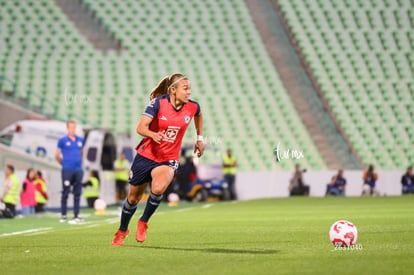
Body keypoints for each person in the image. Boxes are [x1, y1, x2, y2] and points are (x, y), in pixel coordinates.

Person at [111, 73, 204, 246]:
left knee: (159, 188)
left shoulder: (192, 107)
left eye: (190, 88)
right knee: (133, 198)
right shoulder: (158, 103)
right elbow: (140, 127)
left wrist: (200, 138)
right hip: (146, 156)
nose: (189, 92)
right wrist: (152, 134)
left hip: (168, 158)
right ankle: (123, 230)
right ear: (173, 90)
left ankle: (143, 221)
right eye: (185, 89)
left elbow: (198, 114)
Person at [55, 120, 85, 224]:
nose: (72, 129)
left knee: (77, 193)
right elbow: (57, 155)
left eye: (74, 127)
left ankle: (76, 215)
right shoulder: (62, 140)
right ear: (67, 128)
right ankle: (63, 215)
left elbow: (82, 153)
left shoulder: (80, 140)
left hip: (78, 170)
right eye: (71, 127)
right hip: (67, 170)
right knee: (65, 192)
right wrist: (64, 164)